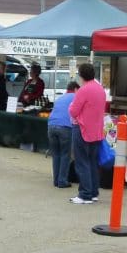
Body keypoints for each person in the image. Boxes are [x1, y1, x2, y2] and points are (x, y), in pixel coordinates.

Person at [68, 63, 106, 204]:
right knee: (93, 162)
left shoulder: (83, 90)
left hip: (83, 129)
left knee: (82, 162)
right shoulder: (100, 89)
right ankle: (93, 192)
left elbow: (73, 111)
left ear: (81, 75)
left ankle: (85, 194)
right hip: (97, 131)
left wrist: (71, 106)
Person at [48, 81, 80, 188]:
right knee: (65, 155)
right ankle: (62, 181)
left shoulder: (60, 98)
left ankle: (56, 180)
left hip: (51, 126)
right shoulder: (76, 97)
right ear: (76, 89)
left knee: (56, 154)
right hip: (65, 127)